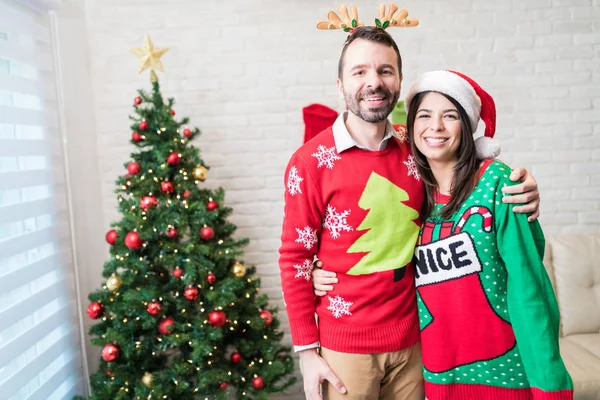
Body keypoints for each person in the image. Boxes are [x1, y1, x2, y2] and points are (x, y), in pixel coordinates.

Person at [279, 23, 541, 400]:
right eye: (360, 72)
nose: (374, 82)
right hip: (345, 347)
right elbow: (294, 258)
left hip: (417, 340)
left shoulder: (416, 147)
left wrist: (523, 189)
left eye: (385, 71)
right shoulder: (310, 163)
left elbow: (468, 185)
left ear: (400, 81)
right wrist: (306, 351)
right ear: (340, 85)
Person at [312, 70, 573, 400]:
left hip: (506, 377)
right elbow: (368, 245)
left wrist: (549, 384)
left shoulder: (498, 185)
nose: (435, 127)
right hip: (439, 379)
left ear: (466, 126)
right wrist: (318, 267)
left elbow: (529, 291)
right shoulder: (413, 192)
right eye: (424, 115)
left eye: (449, 115)